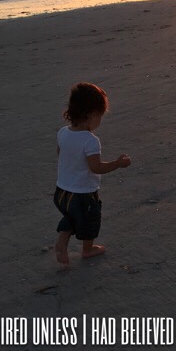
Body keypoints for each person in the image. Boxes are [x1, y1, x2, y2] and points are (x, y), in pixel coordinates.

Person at [53, 82, 131, 266]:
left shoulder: (63, 132)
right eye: (100, 116)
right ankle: (88, 249)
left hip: (61, 192)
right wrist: (117, 164)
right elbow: (96, 167)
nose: (100, 121)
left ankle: (61, 243)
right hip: (83, 194)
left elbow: (60, 153)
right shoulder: (90, 141)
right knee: (90, 220)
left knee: (72, 217)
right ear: (92, 114)